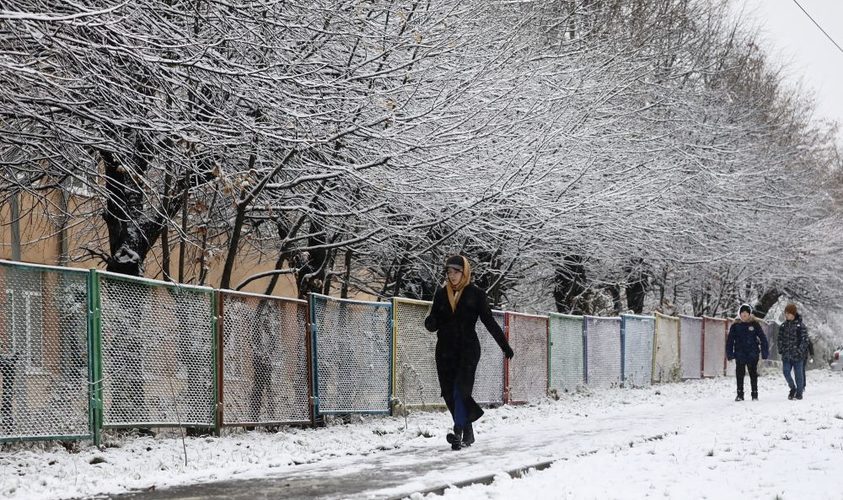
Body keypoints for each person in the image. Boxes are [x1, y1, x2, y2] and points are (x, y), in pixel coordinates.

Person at [424, 255, 514, 450]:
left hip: (467, 350)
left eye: (456, 271)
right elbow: (434, 319)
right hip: (445, 350)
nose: (452, 275)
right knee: (448, 392)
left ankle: (457, 431)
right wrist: (430, 323)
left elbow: (489, 321)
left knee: (460, 390)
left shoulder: (476, 294)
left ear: (464, 272)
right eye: (449, 272)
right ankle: (468, 430)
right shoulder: (441, 294)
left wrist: (504, 346)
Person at [726, 303, 769, 401]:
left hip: (752, 353)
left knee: (753, 374)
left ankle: (754, 394)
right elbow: (730, 340)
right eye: (742, 312)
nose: (744, 314)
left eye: (746, 312)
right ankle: (740, 394)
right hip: (740, 353)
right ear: (739, 314)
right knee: (739, 374)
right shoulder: (735, 325)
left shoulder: (755, 324)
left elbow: (763, 338)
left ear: (749, 314)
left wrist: (764, 352)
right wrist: (730, 354)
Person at [778, 303, 808, 400]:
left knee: (799, 375)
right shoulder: (783, 326)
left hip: (798, 356)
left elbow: (805, 341)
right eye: (785, 313)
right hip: (786, 355)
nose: (786, 315)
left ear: (793, 313)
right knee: (786, 372)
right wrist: (781, 349)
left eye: (788, 313)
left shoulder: (801, 326)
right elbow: (779, 339)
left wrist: (799, 351)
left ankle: (799, 393)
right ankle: (793, 388)